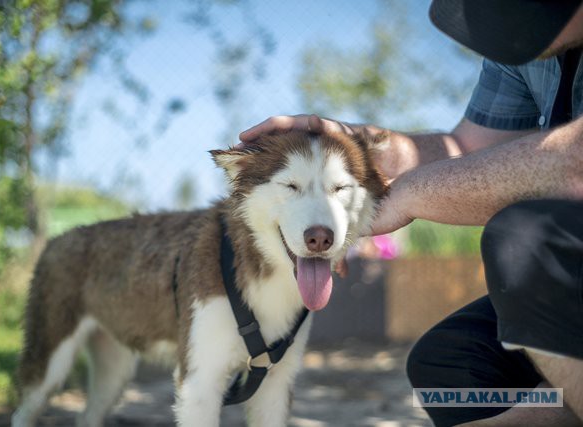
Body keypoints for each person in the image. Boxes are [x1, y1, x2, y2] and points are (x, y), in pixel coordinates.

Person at [239, 1, 583, 426]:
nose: (507, 22)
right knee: (450, 368)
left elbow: (575, 161)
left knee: (524, 241)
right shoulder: (521, 40)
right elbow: (469, 150)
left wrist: (406, 197)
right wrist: (362, 149)